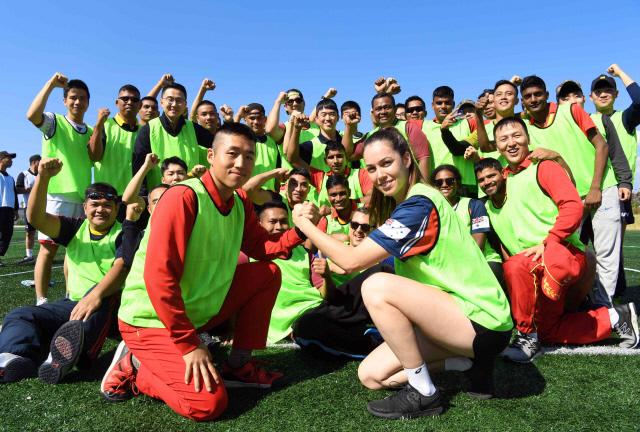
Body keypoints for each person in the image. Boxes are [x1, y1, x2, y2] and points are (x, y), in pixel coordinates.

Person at [100, 123, 320, 422]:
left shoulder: (240, 200)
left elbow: (264, 248)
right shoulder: (183, 198)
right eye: (232, 154)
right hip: (150, 319)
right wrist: (189, 345)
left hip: (196, 311)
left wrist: (301, 228)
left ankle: (239, 366)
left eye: (249, 156)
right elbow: (159, 278)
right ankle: (135, 366)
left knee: (267, 273)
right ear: (211, 155)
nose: (241, 163)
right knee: (208, 405)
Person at [292, 128, 513, 418]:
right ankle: (468, 364)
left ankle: (424, 392)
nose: (379, 174)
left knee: (377, 286)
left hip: (483, 321)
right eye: (371, 168)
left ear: (407, 159)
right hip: (454, 318)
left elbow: (351, 261)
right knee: (371, 375)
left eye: (386, 163)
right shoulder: (410, 203)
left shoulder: (419, 204)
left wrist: (303, 223)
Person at [484, 117, 638, 363]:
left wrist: (549, 241)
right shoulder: (503, 180)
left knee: (515, 265)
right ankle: (615, 318)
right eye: (503, 139)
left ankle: (526, 335)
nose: (511, 143)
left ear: (528, 138)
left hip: (562, 252)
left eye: (516, 136)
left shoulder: (543, 167)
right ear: (497, 145)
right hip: (536, 263)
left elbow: (572, 207)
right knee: (549, 330)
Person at [0, 158, 143, 384]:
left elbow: (122, 267)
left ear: (117, 209)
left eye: (108, 205)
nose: (100, 209)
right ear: (85, 207)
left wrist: (95, 295)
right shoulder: (74, 228)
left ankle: (63, 359)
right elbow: (35, 218)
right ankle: (14, 358)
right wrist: (44, 177)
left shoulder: (125, 232)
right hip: (74, 304)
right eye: (94, 204)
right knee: (19, 315)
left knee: (99, 297)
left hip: (111, 304)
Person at [520, 75, 620, 308]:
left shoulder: (571, 110)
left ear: (546, 95)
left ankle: (603, 308)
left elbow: (601, 145)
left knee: (607, 254)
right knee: (569, 251)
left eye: (538, 94)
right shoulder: (525, 128)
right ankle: (576, 302)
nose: (533, 99)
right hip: (569, 201)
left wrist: (596, 187)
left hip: (602, 188)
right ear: (522, 101)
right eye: (527, 96)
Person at [26, 73, 93, 306]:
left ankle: (69, 296)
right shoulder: (55, 122)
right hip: (57, 194)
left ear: (88, 102)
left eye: (82, 98)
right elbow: (32, 115)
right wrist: (50, 85)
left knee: (73, 252)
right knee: (48, 250)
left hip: (82, 197)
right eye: (73, 97)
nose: (77, 102)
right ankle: (41, 300)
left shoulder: (92, 131)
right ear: (65, 100)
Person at [589, 64, 640, 296]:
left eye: (608, 89)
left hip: (617, 192)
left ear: (616, 94)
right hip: (586, 192)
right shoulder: (586, 120)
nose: (602, 93)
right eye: (598, 90)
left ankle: (613, 303)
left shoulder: (624, 119)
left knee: (611, 251)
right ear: (590, 97)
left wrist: (619, 73)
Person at [132, 83, 214, 192]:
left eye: (179, 100)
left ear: (185, 104)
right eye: (170, 99)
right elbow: (138, 166)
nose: (174, 104)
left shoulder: (194, 129)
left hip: (190, 194)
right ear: (162, 102)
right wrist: (143, 195)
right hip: (159, 197)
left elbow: (217, 147)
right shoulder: (148, 129)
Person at [431, 164, 503, 284]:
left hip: (483, 261)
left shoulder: (474, 205)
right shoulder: (430, 211)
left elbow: (478, 246)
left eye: (450, 181)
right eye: (439, 182)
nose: (444, 185)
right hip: (448, 266)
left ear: (458, 183)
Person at [349, 93, 431, 179]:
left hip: (410, 189)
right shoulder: (371, 135)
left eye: (387, 107)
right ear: (373, 113)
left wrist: (421, 189)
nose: (383, 112)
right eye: (378, 109)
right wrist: (349, 126)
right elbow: (349, 155)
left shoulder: (409, 127)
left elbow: (423, 159)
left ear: (395, 110)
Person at [422, 86, 478, 195]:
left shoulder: (468, 123)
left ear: (453, 104)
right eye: (439, 103)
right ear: (432, 105)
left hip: (465, 185)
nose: (443, 106)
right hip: (437, 186)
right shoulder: (423, 127)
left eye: (447, 103)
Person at [89, 85, 142, 195]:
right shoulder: (105, 126)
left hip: (135, 197)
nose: (130, 102)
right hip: (107, 196)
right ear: (117, 103)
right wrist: (98, 125)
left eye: (134, 100)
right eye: (125, 99)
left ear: (140, 105)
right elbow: (94, 156)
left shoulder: (144, 131)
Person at [236, 103, 281, 191]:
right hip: (246, 195)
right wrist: (238, 116)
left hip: (268, 196)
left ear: (265, 119)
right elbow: (230, 136)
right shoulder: (242, 140)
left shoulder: (273, 142)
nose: (256, 122)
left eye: (259, 118)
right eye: (252, 118)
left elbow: (277, 174)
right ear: (245, 119)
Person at [317, 174, 359, 241]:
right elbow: (311, 247)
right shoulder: (326, 219)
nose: (338, 199)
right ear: (328, 197)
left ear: (349, 192)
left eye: (342, 193)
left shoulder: (365, 211)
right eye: (333, 195)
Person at [16, 154, 41, 264]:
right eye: (40, 162)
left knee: (46, 232)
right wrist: (27, 190)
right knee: (30, 232)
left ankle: (44, 255)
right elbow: (17, 189)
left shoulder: (42, 175)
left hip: (44, 207)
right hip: (29, 207)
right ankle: (29, 256)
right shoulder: (23, 174)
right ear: (35, 162)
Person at [0, 152, 18, 266]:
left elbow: (14, 194)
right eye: (9, 158)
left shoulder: (11, 178)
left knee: (7, 233)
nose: (11, 160)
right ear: (1, 159)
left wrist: (16, 210)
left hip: (9, 210)